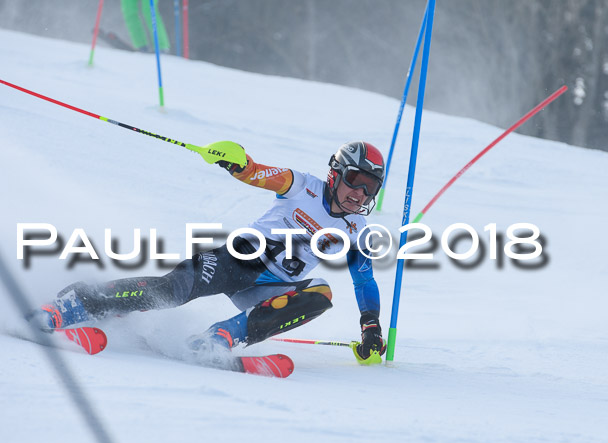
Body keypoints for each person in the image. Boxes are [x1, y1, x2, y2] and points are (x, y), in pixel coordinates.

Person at [33, 141, 387, 365]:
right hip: (239, 261)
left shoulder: (357, 231)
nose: (360, 193)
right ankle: (75, 302)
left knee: (320, 294)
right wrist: (240, 164)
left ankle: (218, 339)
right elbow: (258, 174)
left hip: (267, 290)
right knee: (170, 292)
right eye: (355, 179)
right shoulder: (301, 185)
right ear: (335, 173)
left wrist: (370, 325)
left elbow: (364, 281)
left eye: (370, 187)